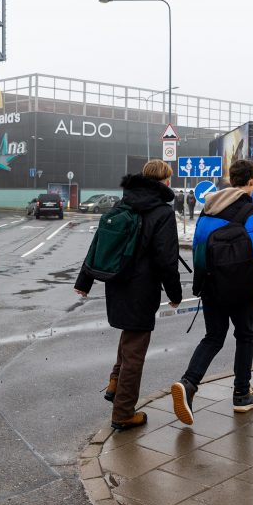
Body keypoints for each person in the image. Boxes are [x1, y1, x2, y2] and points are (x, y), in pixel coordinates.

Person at [74, 160, 183, 431]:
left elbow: (99, 241)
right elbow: (166, 260)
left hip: (117, 282)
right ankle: (123, 413)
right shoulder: (162, 212)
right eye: (168, 179)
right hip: (142, 287)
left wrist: (85, 280)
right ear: (164, 181)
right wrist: (175, 293)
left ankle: (115, 383)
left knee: (130, 336)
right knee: (136, 348)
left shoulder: (123, 203)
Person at [170, 159, 253, 425]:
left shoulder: (208, 209)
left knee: (213, 337)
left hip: (211, 284)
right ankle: (241, 393)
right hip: (241, 287)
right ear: (251, 181)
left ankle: (188, 383)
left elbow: (198, 247)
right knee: (245, 335)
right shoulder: (251, 212)